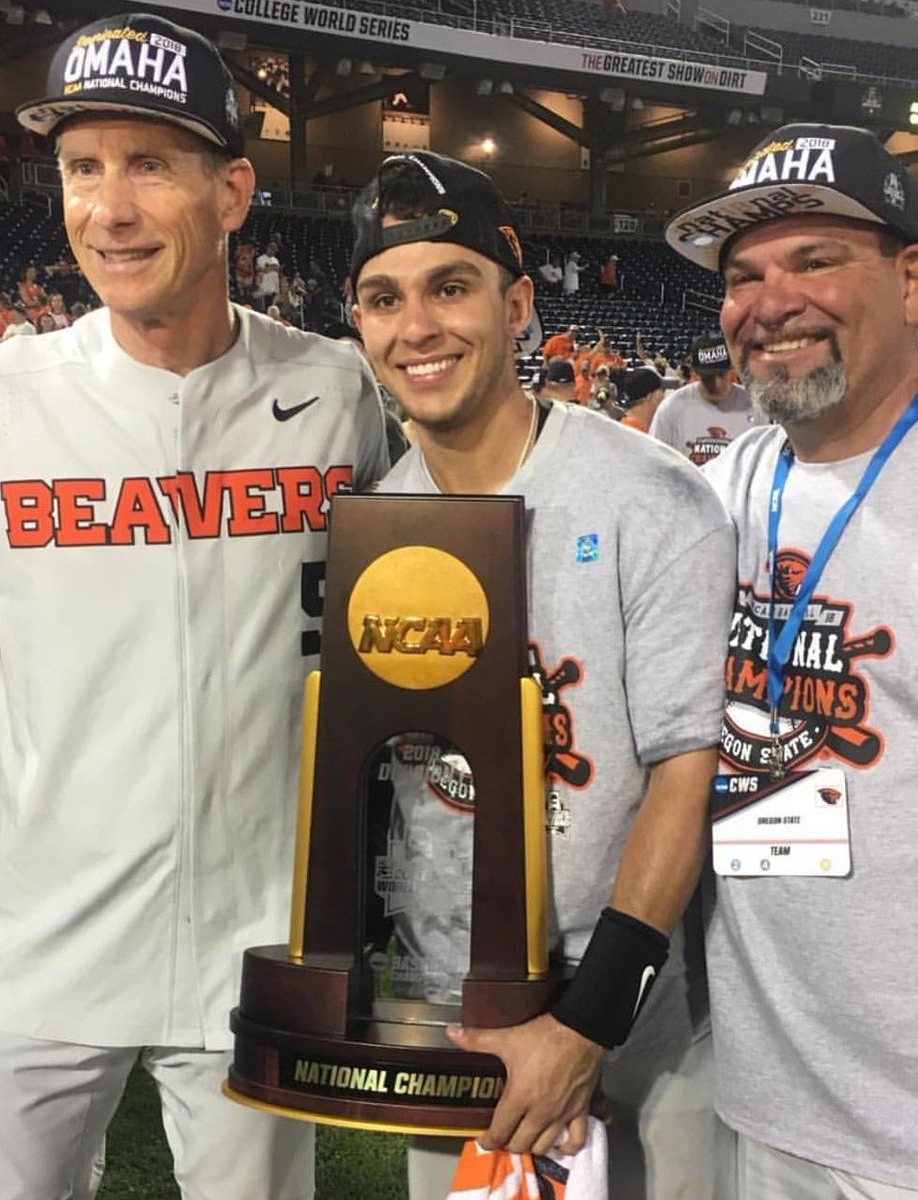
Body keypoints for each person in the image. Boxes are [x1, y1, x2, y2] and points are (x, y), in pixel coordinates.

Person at [0, 12, 388, 1199]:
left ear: (231, 193)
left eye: (149, 166)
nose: (108, 209)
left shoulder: (334, 392)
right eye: (82, 168)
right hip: (40, 935)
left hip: (259, 937)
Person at [350, 149, 736, 1200]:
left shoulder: (647, 495)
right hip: (455, 1024)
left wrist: (585, 1021)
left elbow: (683, 768)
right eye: (384, 298)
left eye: (450, 287)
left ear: (518, 305)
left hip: (636, 1021)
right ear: (359, 325)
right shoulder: (370, 523)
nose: (416, 326)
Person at [666, 120, 918, 1199]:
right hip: (762, 1091)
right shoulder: (723, 486)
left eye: (814, 260)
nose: (768, 304)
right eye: (742, 275)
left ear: (909, 280)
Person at [649, 331, 755, 465]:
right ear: (694, 371)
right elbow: (656, 462)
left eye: (721, 375)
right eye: (709, 377)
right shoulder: (672, 408)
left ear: (732, 367)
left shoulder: (753, 405)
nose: (717, 384)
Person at [619, 367, 665, 432]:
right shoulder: (631, 432)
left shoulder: (626, 427)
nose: (664, 396)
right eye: (662, 390)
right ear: (650, 396)